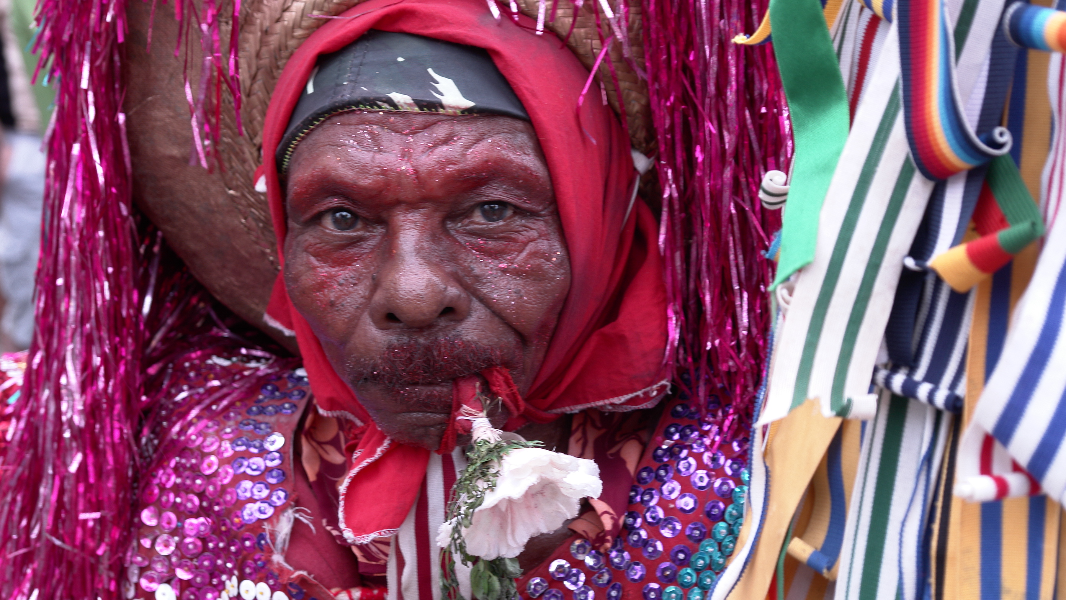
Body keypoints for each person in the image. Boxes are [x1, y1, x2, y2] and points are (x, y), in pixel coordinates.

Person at [118, 2, 751, 600]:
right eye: (342, 220)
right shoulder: (194, 456)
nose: (412, 294)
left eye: (491, 211)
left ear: (602, 225)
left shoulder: (758, 481)